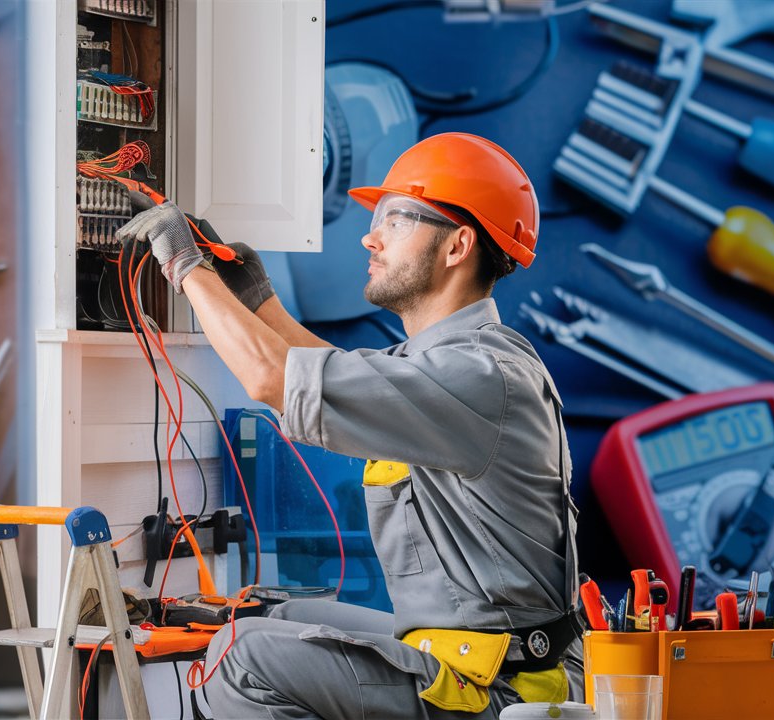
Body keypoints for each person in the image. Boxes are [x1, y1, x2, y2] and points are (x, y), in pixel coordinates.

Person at [118, 132, 583, 719]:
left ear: (458, 245)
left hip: (501, 690)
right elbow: (330, 374)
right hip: (471, 655)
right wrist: (258, 301)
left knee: (244, 657)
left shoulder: (479, 376)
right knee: (278, 618)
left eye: (397, 219)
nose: (370, 236)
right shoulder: (449, 362)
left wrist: (185, 265)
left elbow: (271, 378)